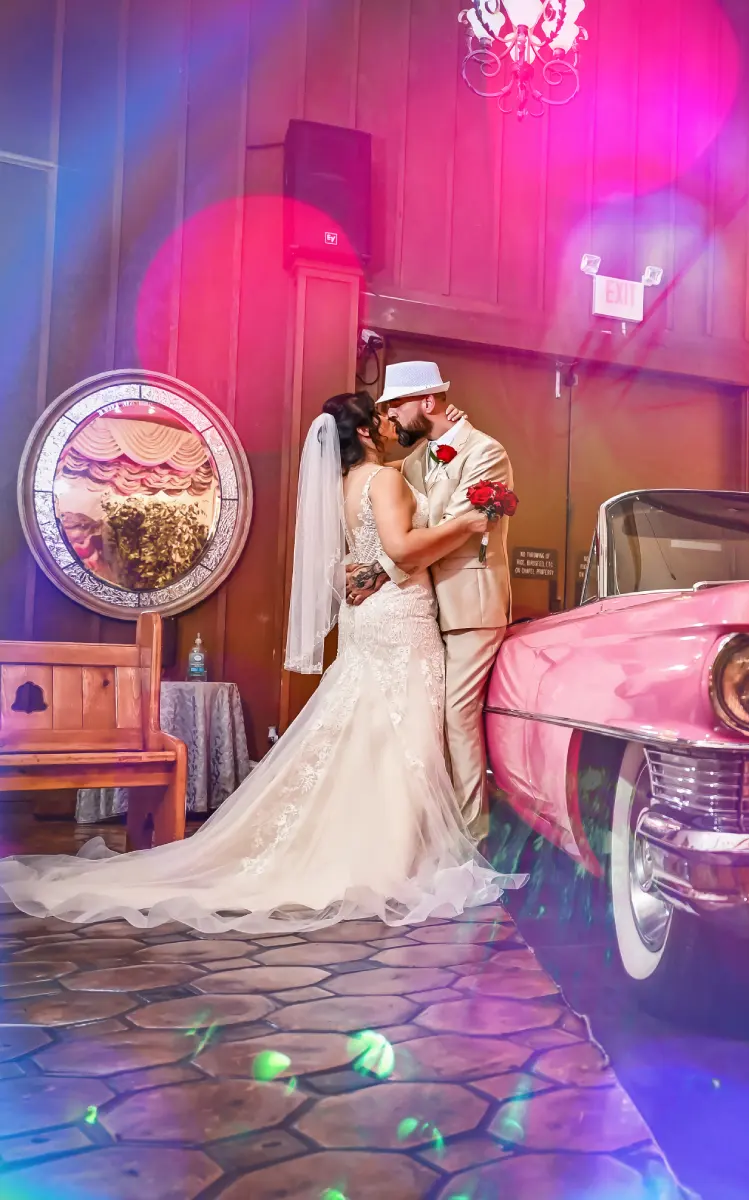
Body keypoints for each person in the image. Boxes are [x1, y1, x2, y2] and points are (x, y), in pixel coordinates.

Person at [0, 393, 526, 933]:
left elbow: (356, 556)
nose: (390, 421)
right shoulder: (385, 479)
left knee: (372, 732)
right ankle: (394, 857)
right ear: (367, 433)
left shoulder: (347, 484)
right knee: (403, 732)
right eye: (381, 416)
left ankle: (375, 845)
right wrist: (468, 524)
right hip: (399, 616)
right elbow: (402, 549)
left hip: (370, 617)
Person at [345, 361, 513, 845]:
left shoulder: (487, 453)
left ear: (427, 401)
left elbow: (450, 533)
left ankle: (472, 841)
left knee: (457, 718)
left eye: (396, 404)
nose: (390, 416)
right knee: (426, 721)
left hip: (469, 607)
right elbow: (388, 510)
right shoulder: (415, 458)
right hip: (421, 607)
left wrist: (381, 571)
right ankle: (425, 835)